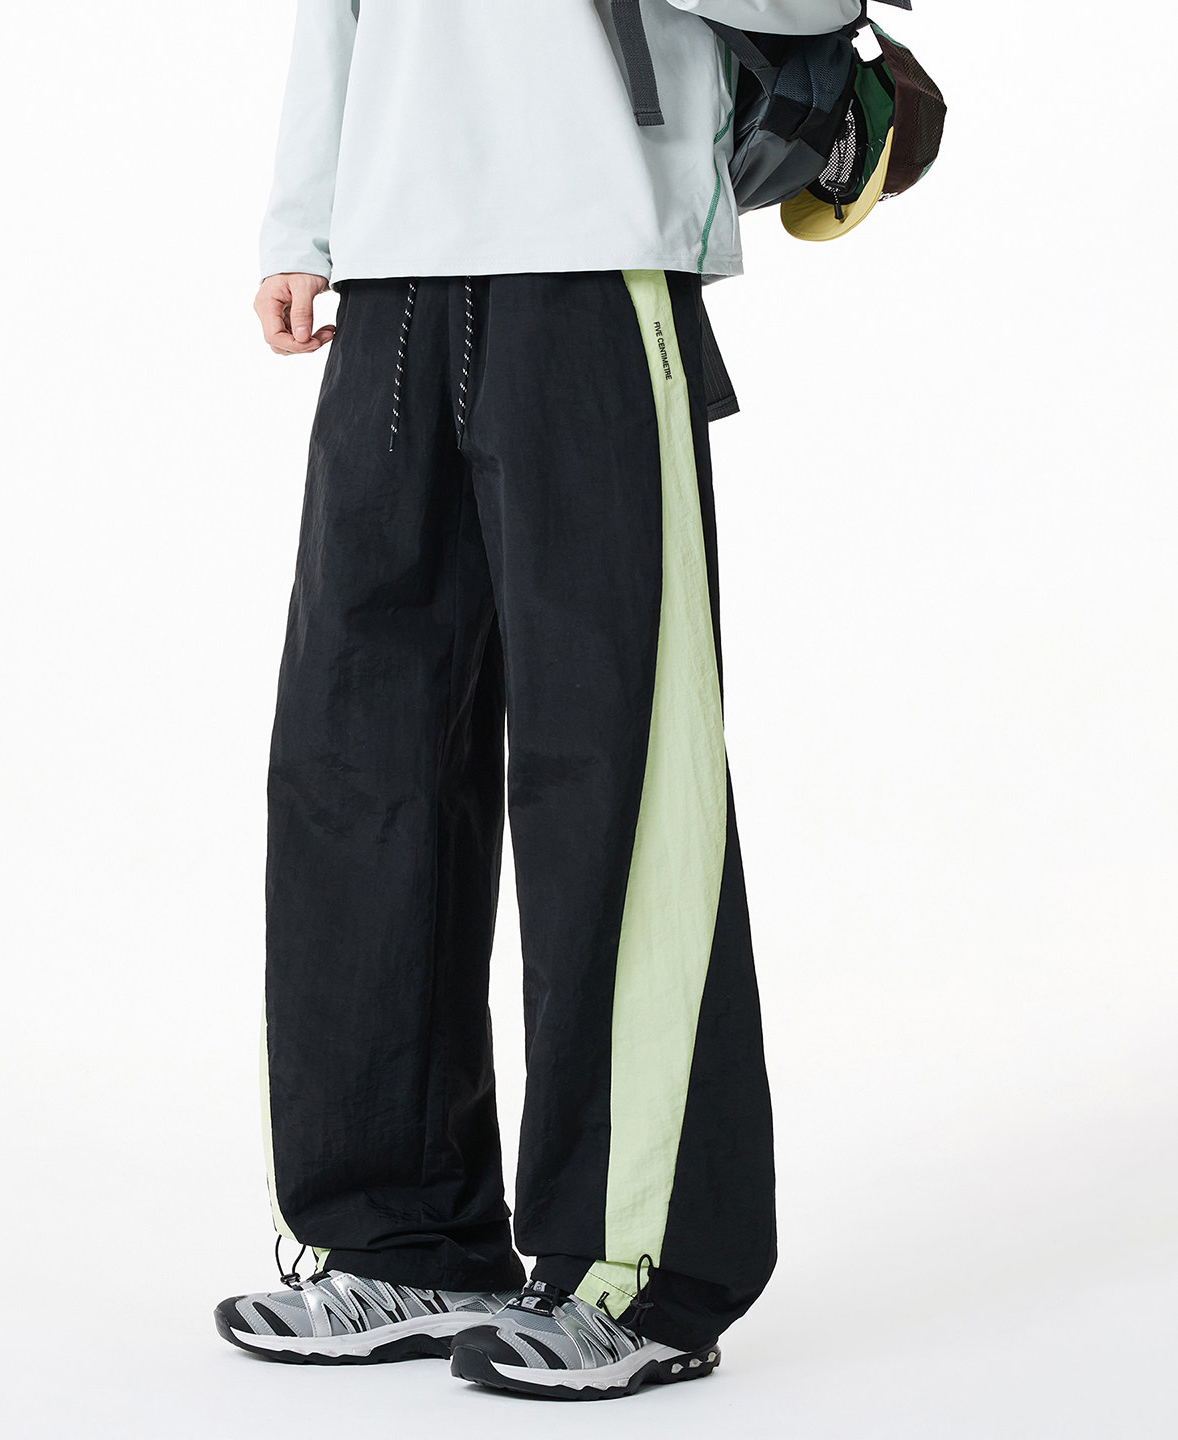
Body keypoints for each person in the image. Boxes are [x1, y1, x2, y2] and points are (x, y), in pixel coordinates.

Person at [216, 0, 863, 1401]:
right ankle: (399, 1237)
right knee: (357, 763)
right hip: (392, 272)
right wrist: (300, 225)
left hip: (598, 256)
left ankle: (638, 1270)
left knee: (617, 769)